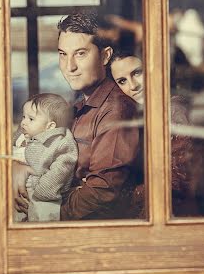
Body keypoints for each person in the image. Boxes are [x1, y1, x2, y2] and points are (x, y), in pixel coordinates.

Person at [16, 12, 141, 220]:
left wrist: (44, 215)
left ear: (105, 56)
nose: (69, 66)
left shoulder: (117, 110)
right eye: (63, 54)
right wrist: (18, 166)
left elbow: (102, 192)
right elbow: (33, 137)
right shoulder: (79, 107)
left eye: (80, 54)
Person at [110, 48, 191, 199]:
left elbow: (177, 178)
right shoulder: (143, 113)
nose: (133, 86)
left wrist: (130, 196)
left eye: (137, 73)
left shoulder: (172, 110)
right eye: (122, 81)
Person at [12, 93, 78, 222]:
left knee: (43, 221)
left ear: (50, 126)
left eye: (31, 119)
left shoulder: (60, 142)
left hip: (43, 193)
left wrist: (44, 190)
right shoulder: (22, 137)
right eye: (23, 116)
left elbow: (62, 167)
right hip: (19, 190)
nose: (23, 123)